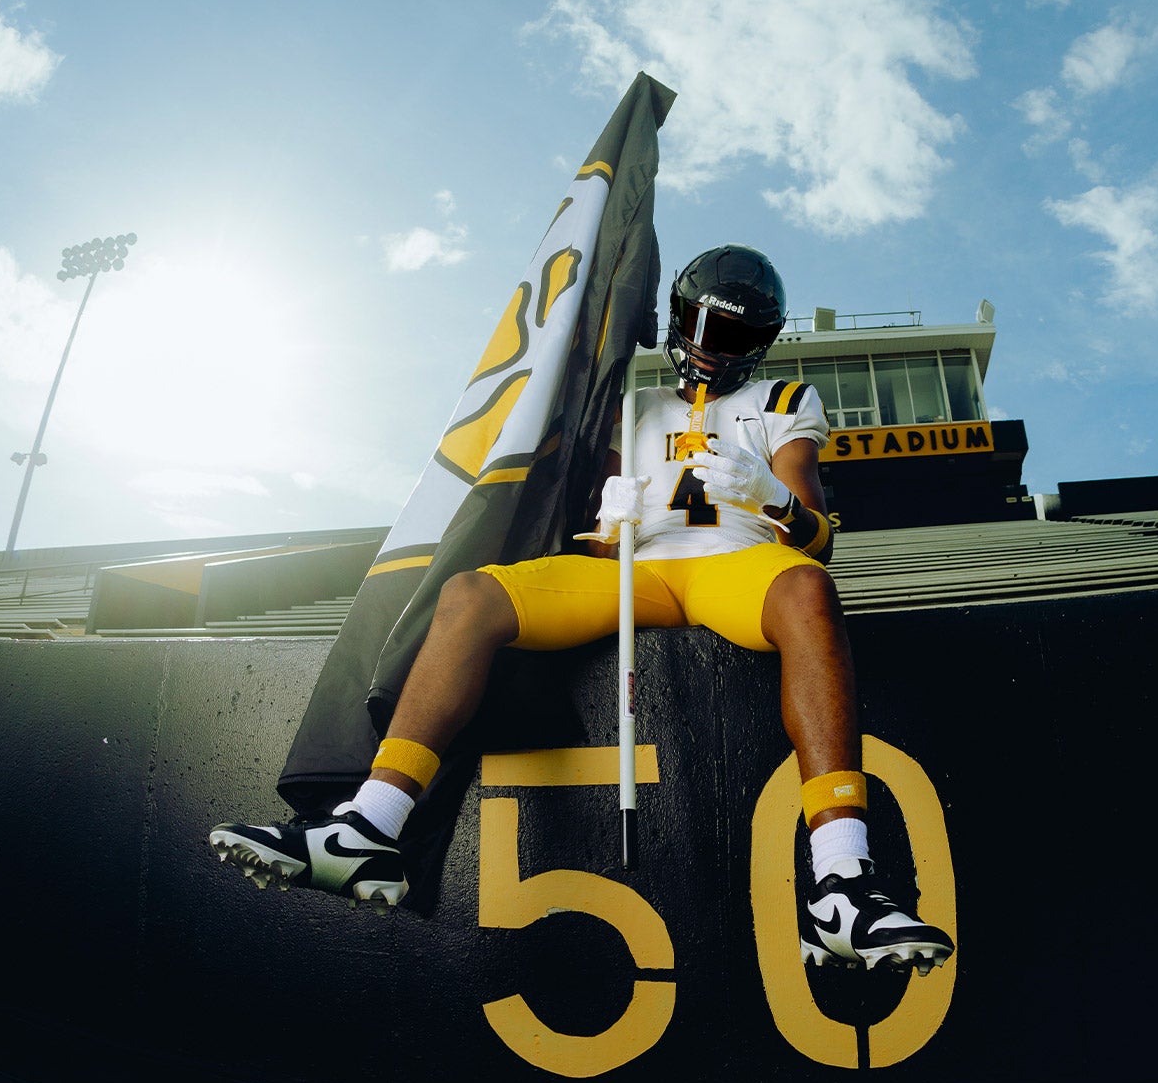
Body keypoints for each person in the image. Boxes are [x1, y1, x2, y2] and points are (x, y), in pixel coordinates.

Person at [211, 245, 954, 974]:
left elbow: (817, 542)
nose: (700, 347)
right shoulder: (632, 402)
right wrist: (610, 521)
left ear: (757, 346)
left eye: (723, 335)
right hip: (641, 571)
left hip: (737, 566)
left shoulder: (781, 401)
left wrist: (768, 494)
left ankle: (842, 881)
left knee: (807, 588)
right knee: (473, 595)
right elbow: (600, 551)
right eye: (692, 323)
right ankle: (372, 822)